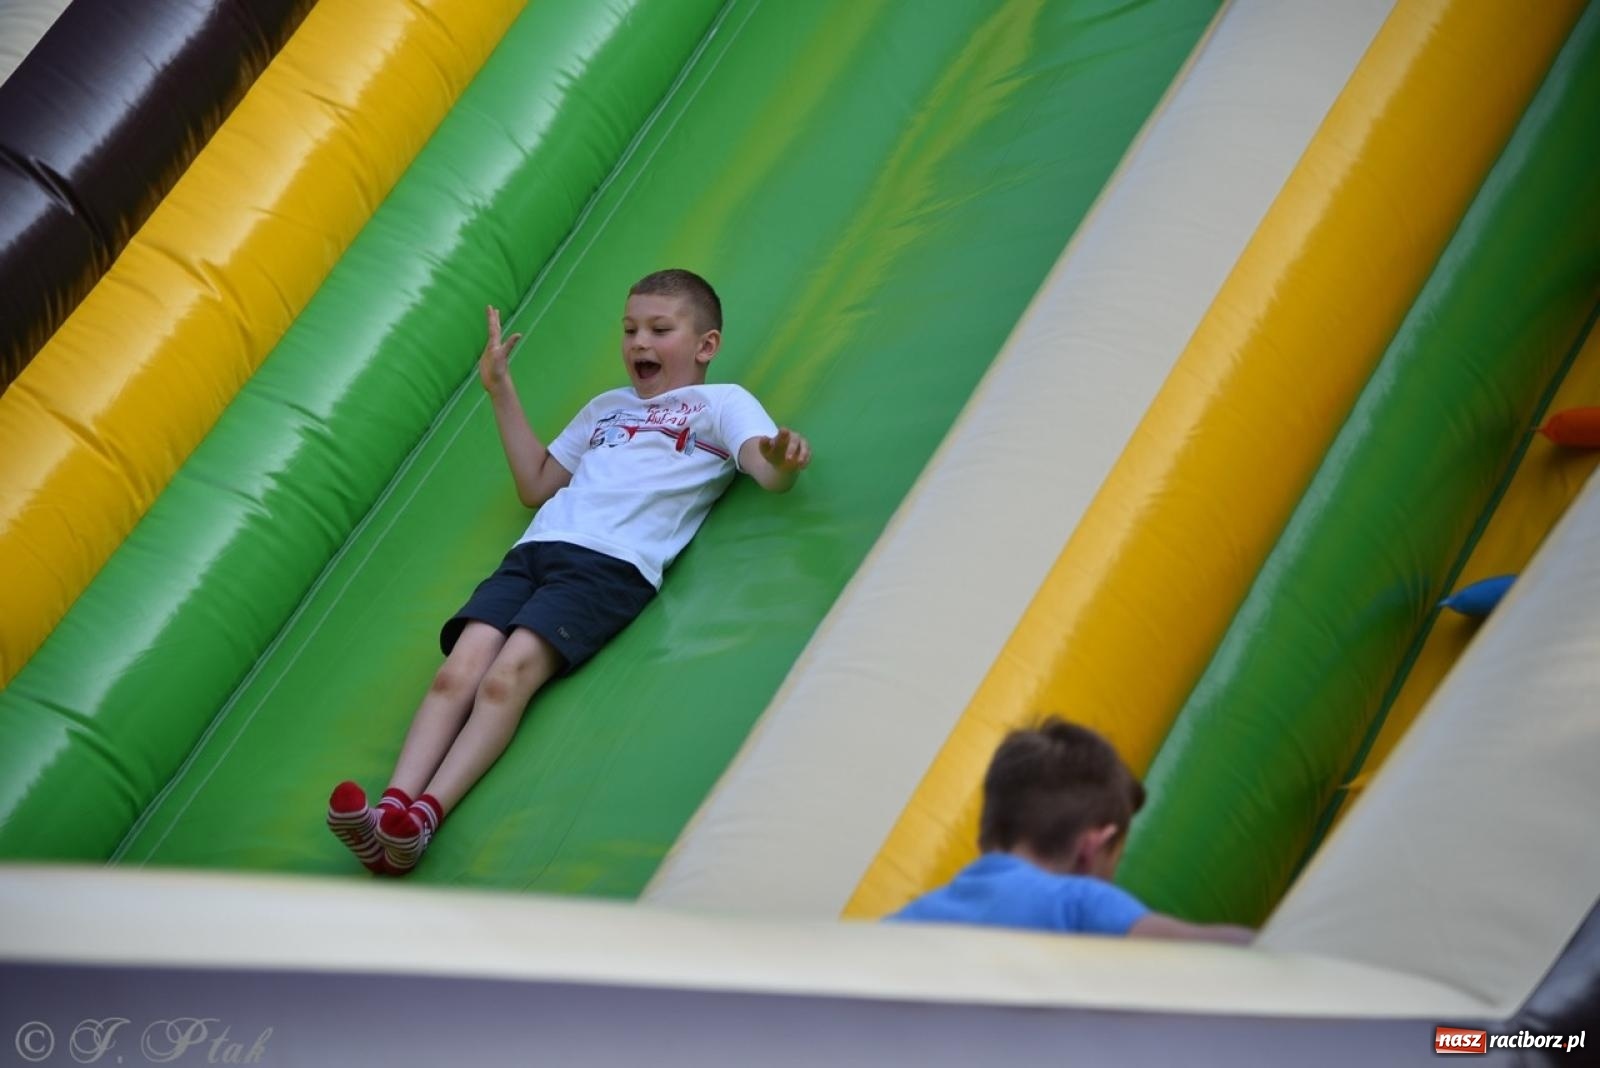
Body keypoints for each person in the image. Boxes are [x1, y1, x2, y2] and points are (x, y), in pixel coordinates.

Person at [326, 269, 812, 875]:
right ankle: (389, 809)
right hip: (536, 549)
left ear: (705, 345)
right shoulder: (605, 409)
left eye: (660, 329)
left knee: (506, 678)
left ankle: (422, 820)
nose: (639, 342)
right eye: (630, 329)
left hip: (611, 565)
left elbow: (764, 470)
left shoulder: (721, 405)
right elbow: (536, 484)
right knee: (458, 672)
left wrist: (780, 461)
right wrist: (499, 388)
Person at [888, 717, 1252, 943]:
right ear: (1093, 848)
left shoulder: (908, 921)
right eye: (1114, 862)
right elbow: (1201, 950)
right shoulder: (1077, 902)